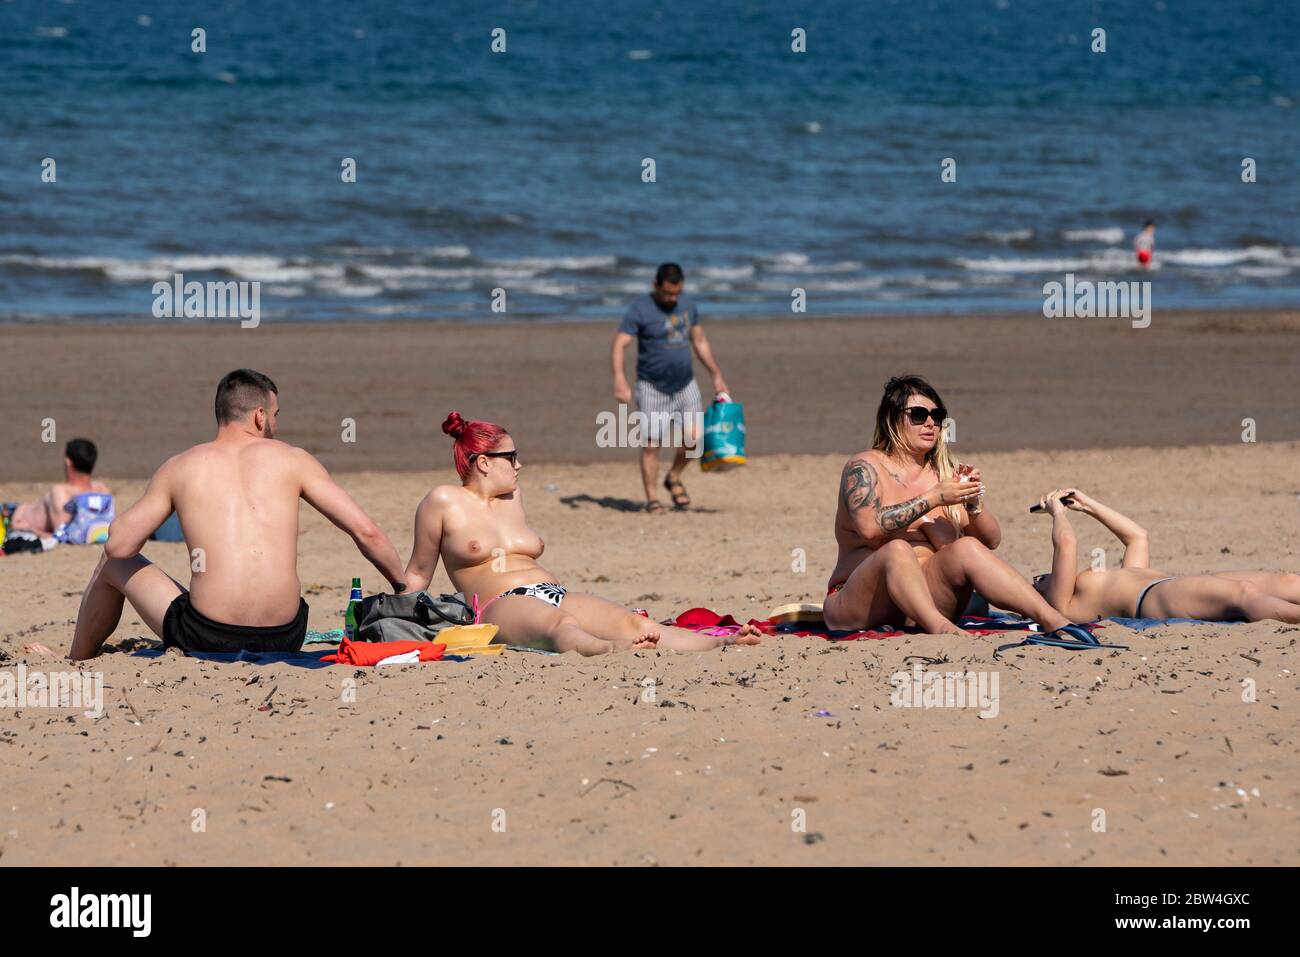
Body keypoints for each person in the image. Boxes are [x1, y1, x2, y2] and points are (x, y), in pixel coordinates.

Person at [62, 369, 408, 660]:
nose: (274, 423)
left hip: (206, 636)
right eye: (275, 414)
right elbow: (367, 532)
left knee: (111, 564)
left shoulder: (181, 466)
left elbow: (119, 546)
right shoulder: (295, 459)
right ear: (260, 415)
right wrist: (402, 587)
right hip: (284, 636)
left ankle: (77, 657)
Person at [401, 412, 762, 654]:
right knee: (562, 625)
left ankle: (724, 643)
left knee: (634, 622)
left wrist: (725, 640)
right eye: (511, 457)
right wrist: (392, 614)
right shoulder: (443, 501)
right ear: (483, 463)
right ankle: (611, 650)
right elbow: (418, 573)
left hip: (552, 591)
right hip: (499, 605)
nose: (519, 465)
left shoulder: (513, 496)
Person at [823, 375, 1094, 643]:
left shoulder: (942, 474)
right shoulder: (865, 467)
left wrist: (972, 502)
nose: (930, 423)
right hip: (860, 602)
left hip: (922, 602)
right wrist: (933, 499)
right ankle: (941, 630)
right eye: (918, 415)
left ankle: (1051, 618)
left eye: (937, 415)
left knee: (967, 547)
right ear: (892, 420)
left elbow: (991, 541)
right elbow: (869, 528)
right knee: (896, 550)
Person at [1033, 488, 1300, 623]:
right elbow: (1066, 542)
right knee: (1243, 594)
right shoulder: (1060, 605)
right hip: (1156, 598)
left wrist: (1088, 504)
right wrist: (1057, 513)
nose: (1042, 577)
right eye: (1038, 581)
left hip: (1172, 584)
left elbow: (1137, 537)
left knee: (1286, 581)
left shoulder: (1118, 577)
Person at [611, 263, 732, 514]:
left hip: (685, 383)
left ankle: (674, 476)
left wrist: (716, 375)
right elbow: (619, 344)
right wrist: (619, 378)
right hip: (652, 387)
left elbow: (699, 341)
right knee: (652, 445)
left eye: (676, 293)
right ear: (655, 285)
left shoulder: (687, 305)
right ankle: (653, 499)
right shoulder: (640, 309)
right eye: (668, 294)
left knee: (694, 439)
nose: (672, 298)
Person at [7, 438, 111, 540]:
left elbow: (60, 534)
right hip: (12, 513)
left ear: (68, 462)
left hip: (15, 518)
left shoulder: (61, 492)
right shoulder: (101, 490)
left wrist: (30, 529)